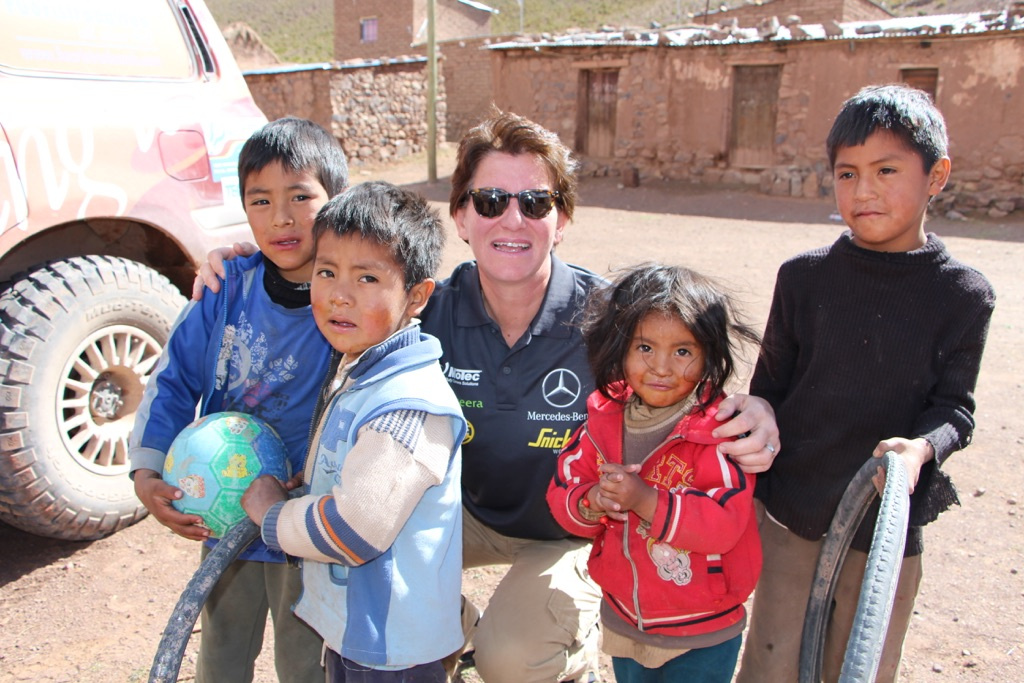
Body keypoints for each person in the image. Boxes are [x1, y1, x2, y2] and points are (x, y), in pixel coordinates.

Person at [197, 110, 781, 683]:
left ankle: (558, 651)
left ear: (563, 218)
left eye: (536, 203)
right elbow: (347, 273)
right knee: (369, 581)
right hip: (461, 515)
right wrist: (253, 264)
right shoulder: (426, 309)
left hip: (571, 527)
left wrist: (751, 407)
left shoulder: (610, 317)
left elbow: (681, 372)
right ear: (460, 216)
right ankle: (454, 631)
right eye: (490, 200)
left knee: (512, 659)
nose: (513, 219)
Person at [736, 84, 996, 683]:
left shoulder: (963, 295)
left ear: (936, 177)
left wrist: (919, 451)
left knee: (858, 668)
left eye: (886, 170)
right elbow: (769, 388)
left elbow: (955, 410)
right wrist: (756, 416)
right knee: (772, 662)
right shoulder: (803, 279)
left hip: (884, 531)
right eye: (847, 174)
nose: (864, 191)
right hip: (792, 515)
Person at [129, 116, 348, 683]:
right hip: (224, 504)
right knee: (222, 652)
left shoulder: (351, 299)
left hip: (308, 517)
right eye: (261, 201)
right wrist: (147, 472)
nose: (281, 218)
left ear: (336, 201)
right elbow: (174, 380)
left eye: (301, 197)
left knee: (304, 661)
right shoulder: (224, 289)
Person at [240, 181, 466, 682]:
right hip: (359, 630)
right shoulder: (362, 370)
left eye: (367, 278)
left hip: (391, 647)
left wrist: (272, 515)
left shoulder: (407, 406)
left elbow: (354, 529)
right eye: (326, 272)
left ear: (416, 296)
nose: (339, 295)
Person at [546, 263, 763, 683]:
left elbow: (725, 523)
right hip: (624, 618)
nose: (661, 367)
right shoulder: (600, 422)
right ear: (620, 347)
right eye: (645, 347)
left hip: (703, 628)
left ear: (709, 355)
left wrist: (646, 500)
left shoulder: (719, 433)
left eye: (682, 351)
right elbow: (563, 491)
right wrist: (593, 501)